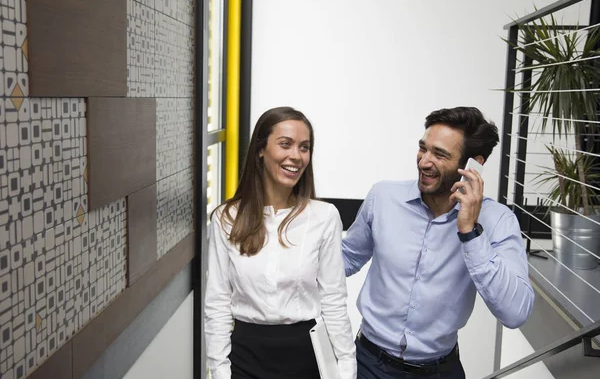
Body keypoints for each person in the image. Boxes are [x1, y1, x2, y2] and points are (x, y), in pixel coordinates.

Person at [342, 106, 535, 379]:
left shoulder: (498, 221)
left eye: (440, 154)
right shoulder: (383, 197)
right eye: (424, 148)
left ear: (473, 165)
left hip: (440, 371)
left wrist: (470, 231)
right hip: (368, 365)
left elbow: (515, 313)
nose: (424, 161)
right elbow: (348, 257)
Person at [205, 107, 357, 379]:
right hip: (244, 358)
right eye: (285, 144)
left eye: (304, 147)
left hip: (307, 358)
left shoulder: (324, 217)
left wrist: (346, 368)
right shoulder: (225, 218)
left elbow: (334, 299)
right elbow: (217, 302)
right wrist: (219, 371)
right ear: (261, 150)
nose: (296, 156)